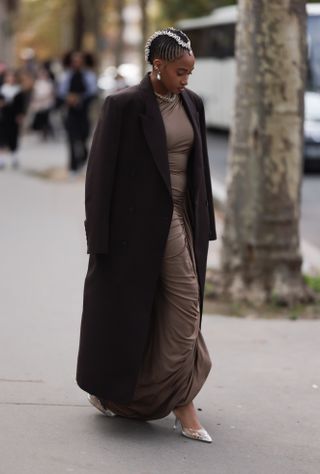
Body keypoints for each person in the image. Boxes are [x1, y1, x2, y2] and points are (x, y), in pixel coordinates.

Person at [76, 28, 217, 443]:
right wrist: (98, 238)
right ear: (157, 66)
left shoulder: (193, 104)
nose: (186, 80)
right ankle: (180, 400)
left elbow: (200, 171)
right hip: (137, 226)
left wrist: (205, 225)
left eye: (190, 72)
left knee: (171, 305)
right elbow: (99, 177)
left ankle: (133, 394)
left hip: (183, 217)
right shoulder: (123, 106)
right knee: (185, 300)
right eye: (180, 71)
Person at [58, 51, 97, 174]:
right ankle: (72, 166)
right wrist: (68, 98)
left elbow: (92, 92)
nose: (77, 63)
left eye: (79, 61)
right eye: (74, 61)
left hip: (84, 112)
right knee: (71, 138)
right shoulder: (66, 75)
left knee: (83, 138)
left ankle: (83, 158)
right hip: (70, 112)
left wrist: (80, 99)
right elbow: (60, 92)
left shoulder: (89, 76)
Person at [0, 70, 25, 169]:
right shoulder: (2, 89)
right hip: (2, 117)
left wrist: (20, 115)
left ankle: (14, 158)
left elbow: (21, 105)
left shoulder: (18, 90)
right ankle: (1, 160)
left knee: (13, 137)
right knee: (1, 138)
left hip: (13, 118)